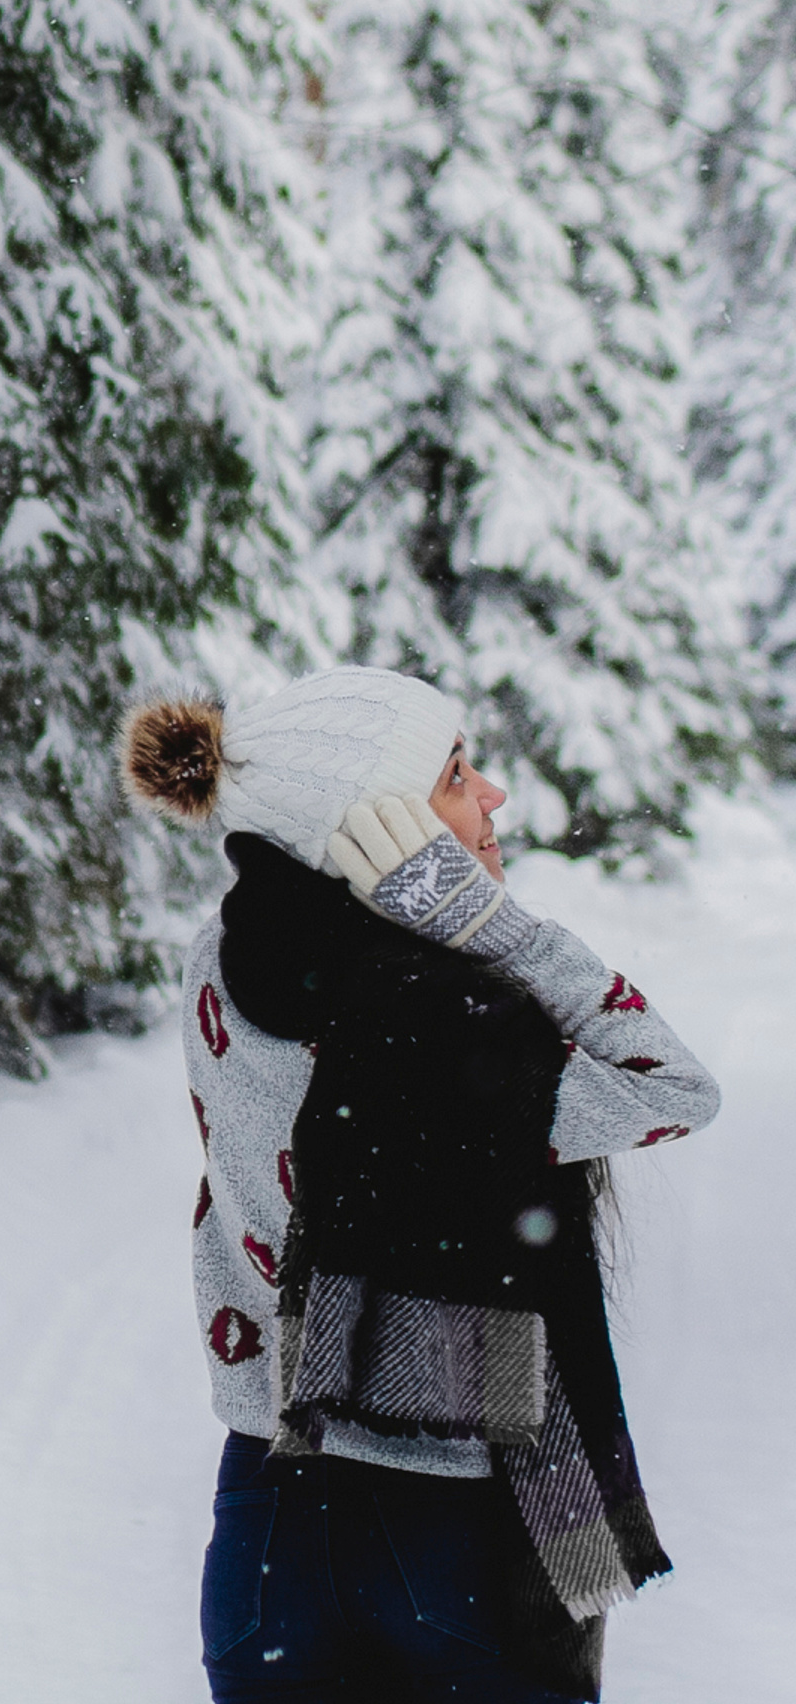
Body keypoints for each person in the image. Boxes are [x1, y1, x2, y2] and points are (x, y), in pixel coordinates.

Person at [122, 668, 720, 1704]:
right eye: (453, 776)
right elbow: (672, 1087)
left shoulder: (219, 959)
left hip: (264, 1524)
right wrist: (491, 925)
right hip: (450, 1538)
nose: (492, 794)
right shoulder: (465, 1025)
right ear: (379, 830)